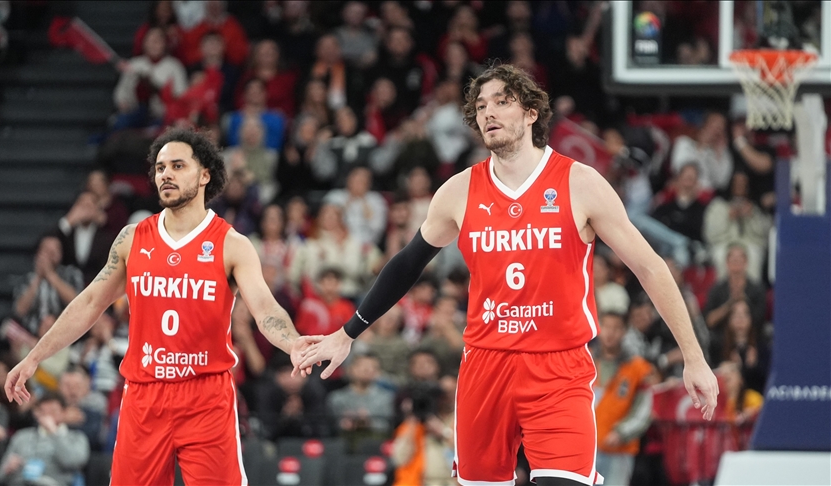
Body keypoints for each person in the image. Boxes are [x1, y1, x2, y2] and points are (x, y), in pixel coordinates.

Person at [299, 64, 718, 486]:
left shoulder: (580, 183)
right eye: (481, 106)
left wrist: (694, 357)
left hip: (559, 367)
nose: (489, 112)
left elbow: (650, 267)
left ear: (532, 113)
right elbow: (408, 263)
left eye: (502, 102)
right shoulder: (459, 191)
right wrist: (347, 333)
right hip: (485, 366)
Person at [4, 128, 319, 485]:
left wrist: (293, 342)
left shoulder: (231, 244)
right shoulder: (131, 238)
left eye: (178, 166)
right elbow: (89, 302)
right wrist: (34, 357)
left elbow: (265, 308)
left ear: (204, 175)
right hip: (144, 394)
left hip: (205, 394)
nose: (165, 174)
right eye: (160, 167)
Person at [592, 313, 654, 486]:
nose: (610, 333)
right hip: (586, 448)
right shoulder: (585, 360)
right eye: (606, 326)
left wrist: (622, 432)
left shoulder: (637, 368)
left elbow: (645, 409)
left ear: (624, 331)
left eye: (616, 328)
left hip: (619, 450)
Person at [0, 392, 89, 486]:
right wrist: (7, 469)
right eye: (43, 412)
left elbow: (72, 462)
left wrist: (54, 432)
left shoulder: (76, 438)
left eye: (53, 411)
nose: (48, 416)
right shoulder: (22, 436)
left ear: (63, 413)